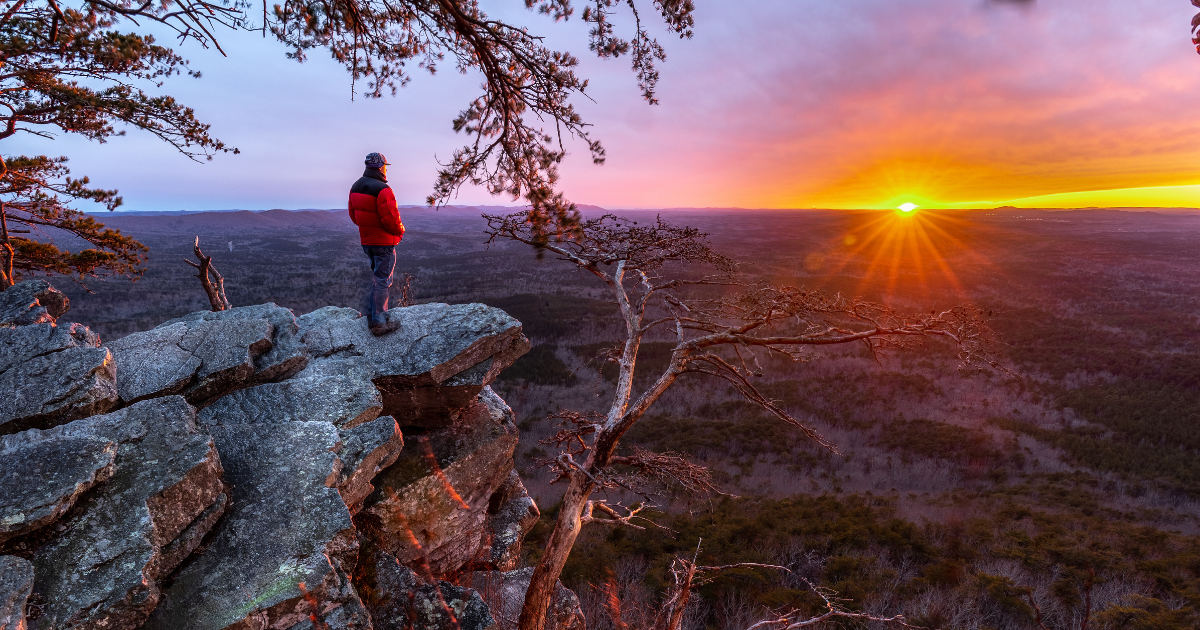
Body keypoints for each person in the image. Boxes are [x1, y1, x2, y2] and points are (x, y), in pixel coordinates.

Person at [348, 151, 405, 336]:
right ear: (381, 167)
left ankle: (374, 315)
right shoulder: (383, 189)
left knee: (377, 278)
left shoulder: (356, 186)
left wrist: (367, 228)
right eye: (385, 167)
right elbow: (391, 219)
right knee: (383, 281)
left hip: (367, 242)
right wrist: (400, 231)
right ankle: (378, 322)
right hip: (384, 243)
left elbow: (354, 215)